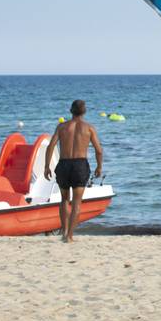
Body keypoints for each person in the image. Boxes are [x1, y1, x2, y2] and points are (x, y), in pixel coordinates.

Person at [43, 100, 104, 243]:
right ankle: (69, 236)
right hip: (80, 165)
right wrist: (99, 166)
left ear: (71, 111)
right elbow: (99, 150)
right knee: (77, 203)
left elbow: (51, 146)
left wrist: (47, 166)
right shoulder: (89, 128)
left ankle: (63, 232)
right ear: (84, 112)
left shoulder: (62, 127)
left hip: (63, 164)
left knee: (64, 200)